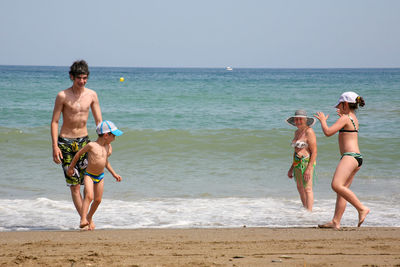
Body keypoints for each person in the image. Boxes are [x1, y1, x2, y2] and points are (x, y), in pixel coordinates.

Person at [51, 60, 102, 219]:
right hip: (65, 143)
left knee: (89, 181)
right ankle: (85, 220)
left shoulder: (92, 95)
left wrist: (102, 144)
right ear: (71, 77)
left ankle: (87, 218)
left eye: (85, 78)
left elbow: (99, 121)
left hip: (84, 142)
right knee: (74, 186)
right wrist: (55, 146)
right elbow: (54, 121)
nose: (82, 81)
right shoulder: (62, 96)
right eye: (79, 78)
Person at [315, 92, 369, 229]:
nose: (337, 108)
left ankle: (361, 208)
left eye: (339, 105)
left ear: (345, 104)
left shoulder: (345, 118)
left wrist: (322, 121)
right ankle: (336, 221)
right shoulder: (352, 118)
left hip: (349, 156)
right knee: (342, 191)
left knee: (336, 185)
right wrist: (341, 120)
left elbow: (328, 132)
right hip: (357, 158)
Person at [67, 120, 123, 230]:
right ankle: (83, 219)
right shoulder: (91, 145)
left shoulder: (108, 147)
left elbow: (105, 162)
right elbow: (78, 154)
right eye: (114, 135)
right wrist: (71, 167)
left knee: (98, 200)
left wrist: (114, 174)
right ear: (106, 135)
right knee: (89, 196)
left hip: (100, 176)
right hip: (89, 175)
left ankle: (89, 217)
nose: (115, 138)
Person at [286, 110, 317, 211]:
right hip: (297, 163)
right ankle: (305, 210)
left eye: (300, 119)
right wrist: (291, 168)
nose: (298, 121)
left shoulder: (309, 132)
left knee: (307, 188)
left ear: (305, 120)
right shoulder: (297, 132)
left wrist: (309, 168)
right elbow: (296, 151)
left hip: (306, 162)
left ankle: (310, 212)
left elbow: (314, 152)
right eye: (296, 119)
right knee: (300, 188)